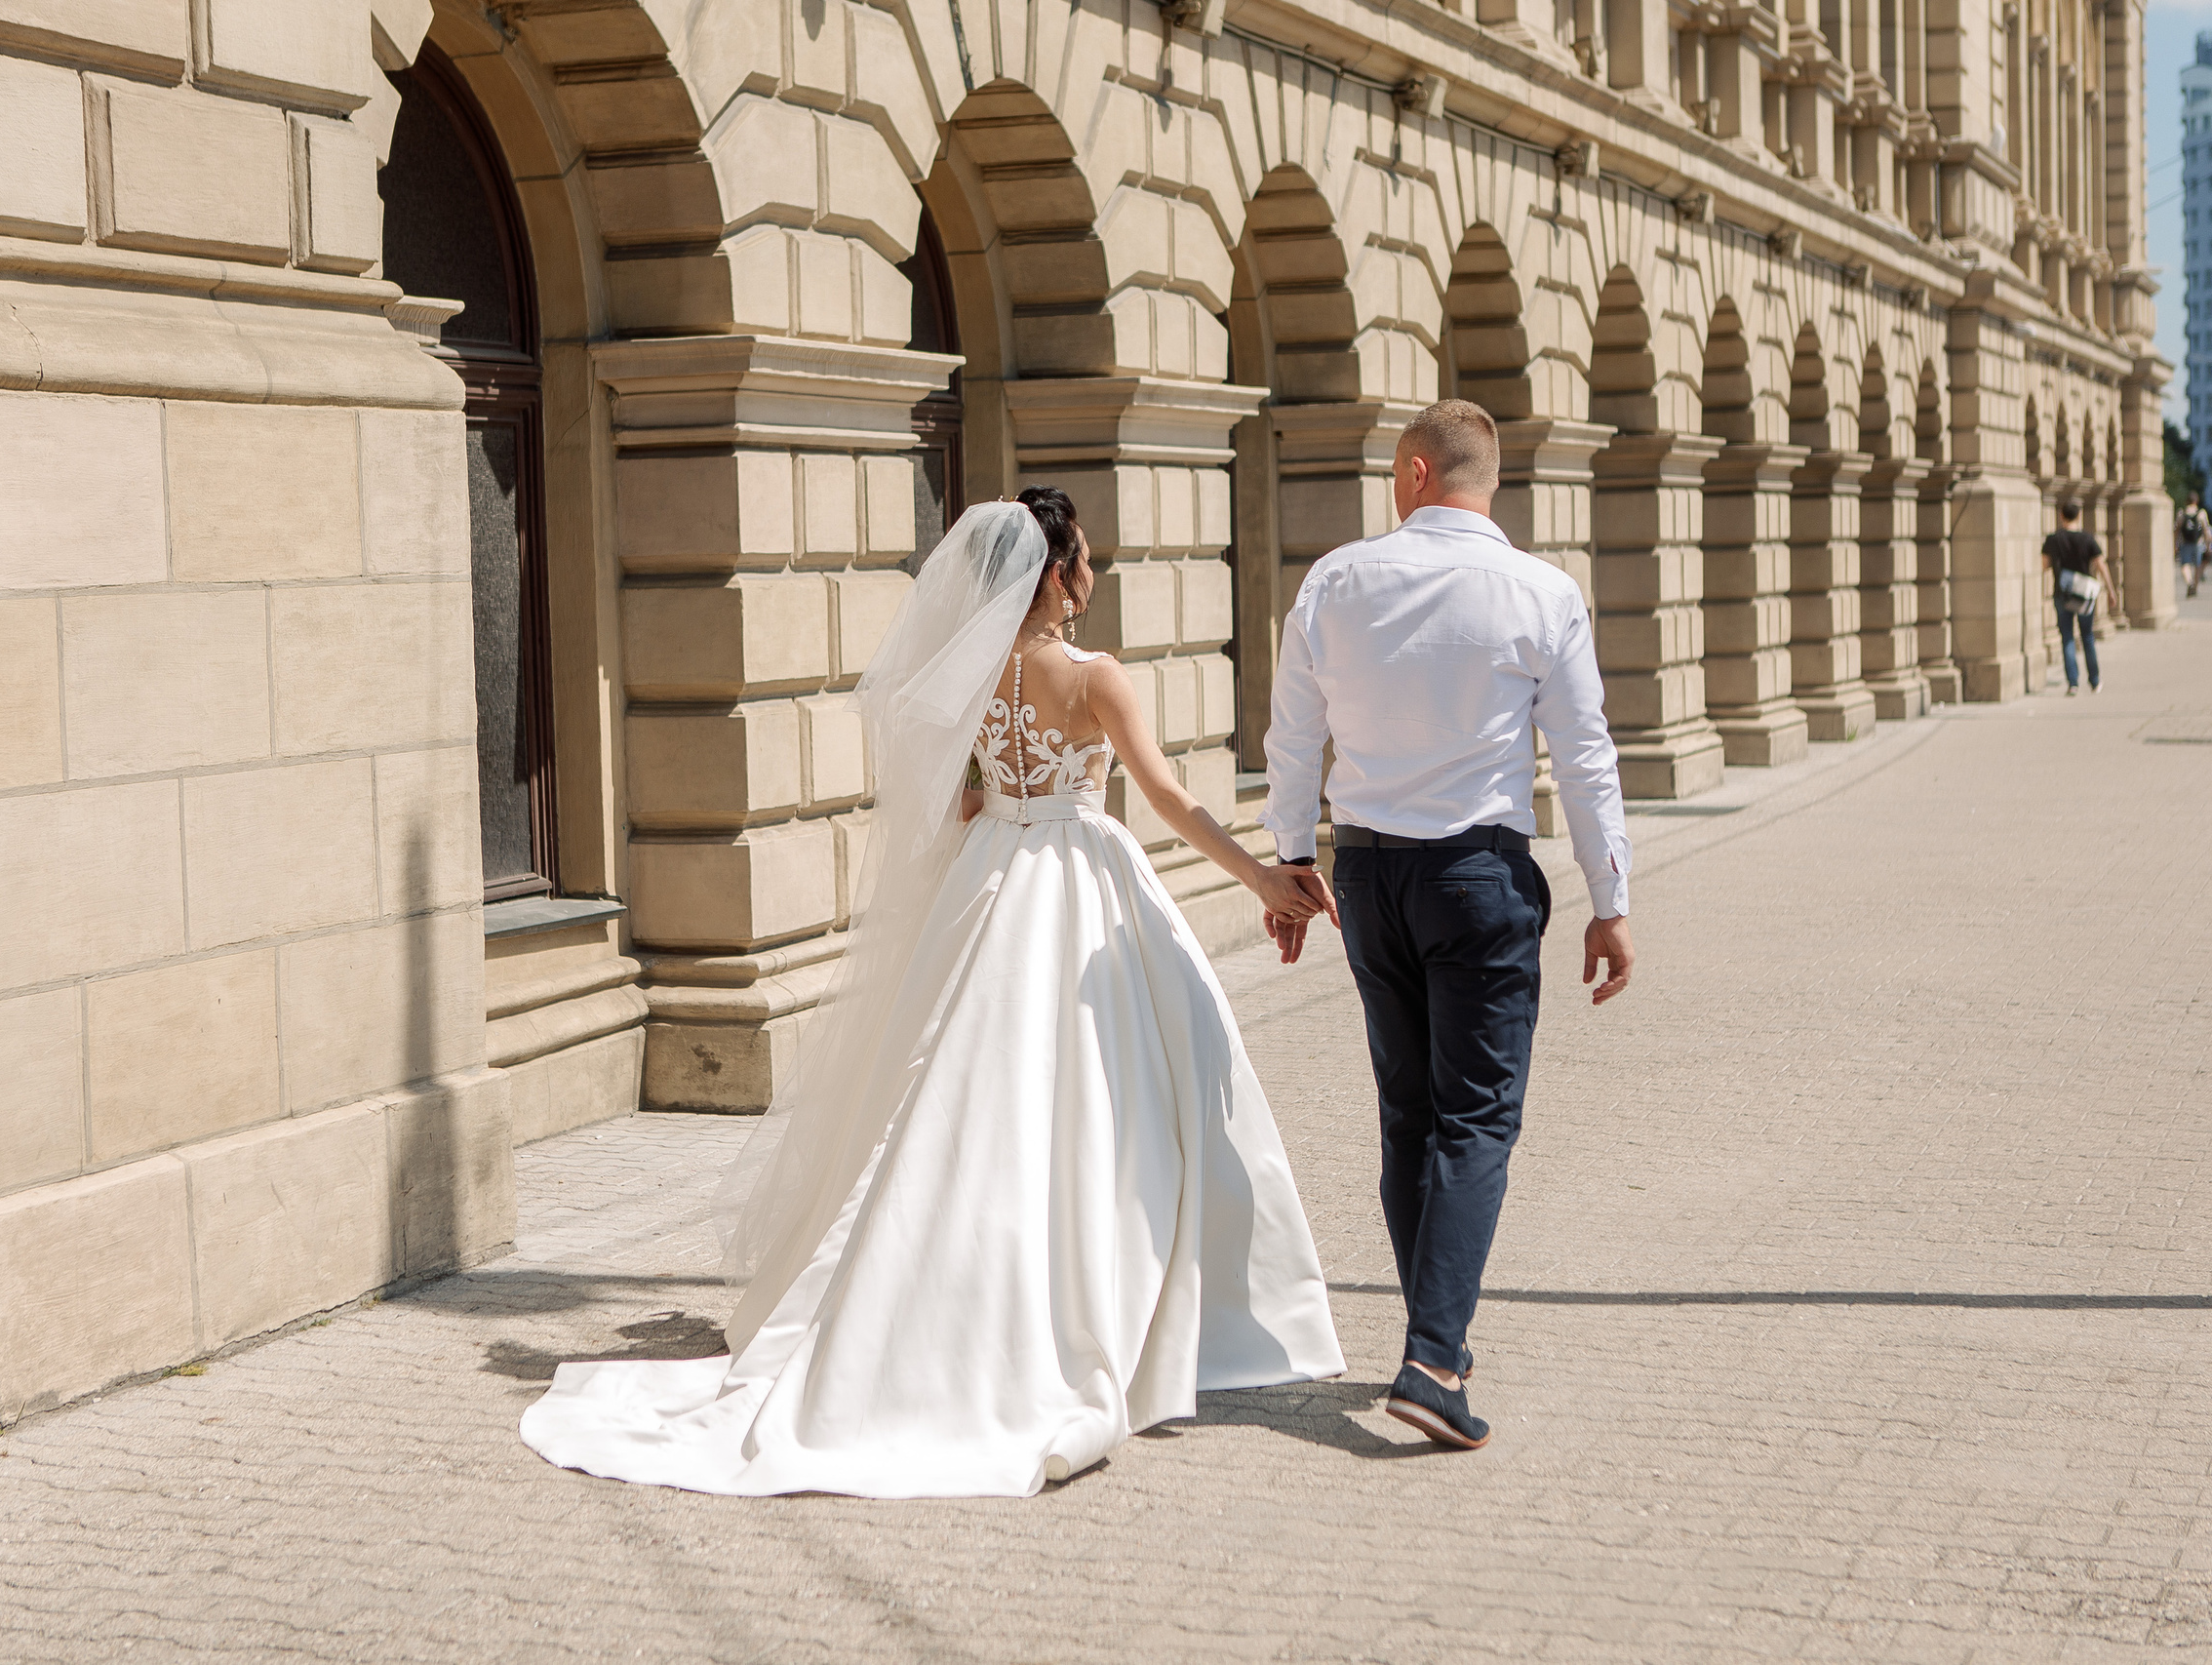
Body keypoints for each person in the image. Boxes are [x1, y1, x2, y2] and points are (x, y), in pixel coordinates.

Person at [520, 489, 1346, 1498]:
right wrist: (1261, 876)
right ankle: (1140, 1310)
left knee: (960, 1091)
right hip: (1078, 877)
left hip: (990, 875)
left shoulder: (973, 671)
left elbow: (955, 801)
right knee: (1112, 1094)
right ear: (1056, 573)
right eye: (1085, 561)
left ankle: (925, 1296)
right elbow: (1169, 798)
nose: (1092, 577)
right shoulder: (1094, 676)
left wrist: (1001, 821)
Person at [1259, 398, 1636, 1451]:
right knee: (1475, 1121)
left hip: (1370, 875)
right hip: (1477, 876)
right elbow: (1585, 755)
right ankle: (1430, 1358)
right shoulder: (1542, 592)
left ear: (1418, 473)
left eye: (1394, 472)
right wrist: (1610, 901)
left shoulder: (1334, 580)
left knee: (1409, 1116)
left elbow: (1291, 737)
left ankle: (1441, 1346)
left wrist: (1290, 864)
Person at [2041, 499, 2114, 695]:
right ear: (2079, 516)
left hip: (2062, 594)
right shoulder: (2087, 539)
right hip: (2084, 594)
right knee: (2087, 636)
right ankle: (2095, 681)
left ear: (2061, 516)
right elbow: (2101, 565)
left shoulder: (2054, 539)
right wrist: (2111, 590)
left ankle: (2072, 683)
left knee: (2067, 638)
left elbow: (2044, 564)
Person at [2178, 491, 2206, 600]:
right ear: (2196, 501)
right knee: (2197, 565)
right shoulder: (2201, 513)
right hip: (2198, 543)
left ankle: (2190, 582)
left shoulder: (2182, 512)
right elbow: (2205, 529)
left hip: (2185, 542)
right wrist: (2208, 541)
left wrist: (2174, 543)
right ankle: (2195, 586)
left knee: (2185, 564)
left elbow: (2177, 529)